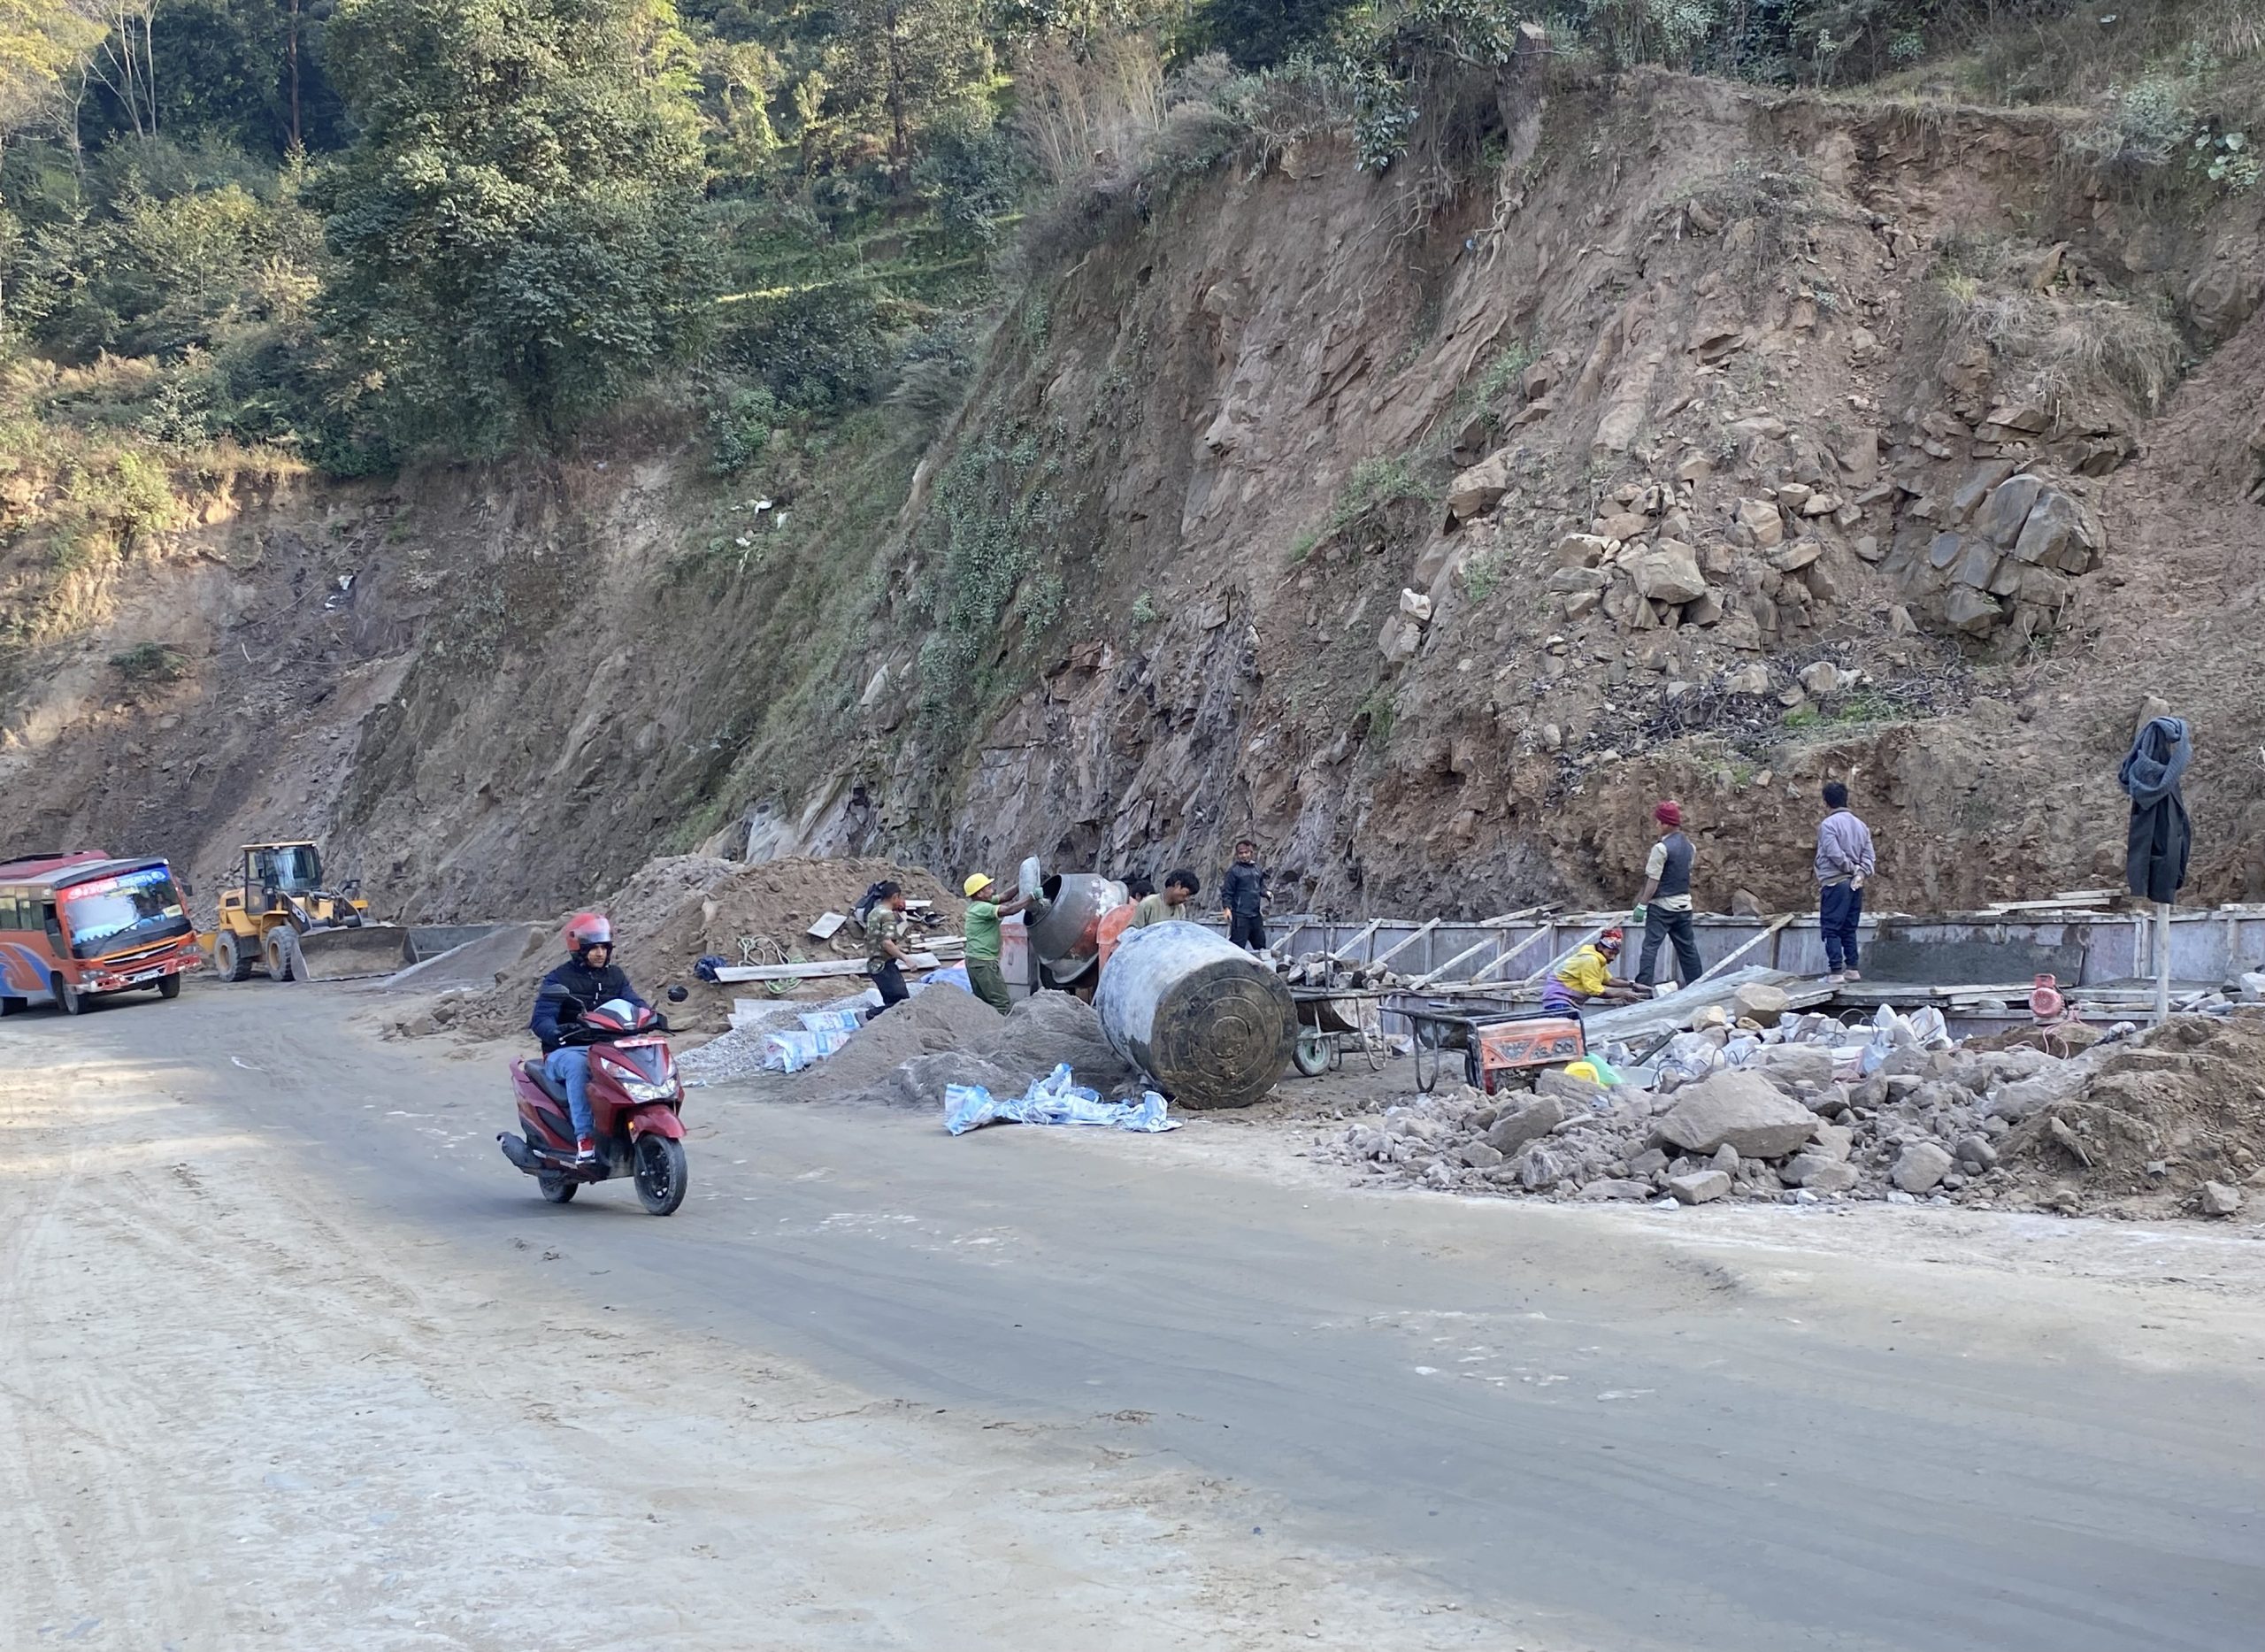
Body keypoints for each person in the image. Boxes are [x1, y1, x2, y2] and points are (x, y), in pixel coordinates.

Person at [531, 913, 649, 1164]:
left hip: (607, 1046)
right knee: (578, 1067)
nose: (599, 953)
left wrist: (649, 1014)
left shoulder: (615, 976)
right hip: (567, 1050)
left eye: (603, 947)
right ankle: (585, 1137)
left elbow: (633, 1001)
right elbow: (541, 1019)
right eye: (593, 948)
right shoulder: (558, 979)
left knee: (644, 1055)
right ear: (579, 949)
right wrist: (555, 1031)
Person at [1632, 800, 1704, 991]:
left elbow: (1653, 881)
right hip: (1683, 906)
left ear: (1665, 823)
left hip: (1662, 907)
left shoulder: (1661, 849)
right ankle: (1697, 986)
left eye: (1658, 822)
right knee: (1688, 949)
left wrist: (1642, 905)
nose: (1656, 826)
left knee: (1650, 947)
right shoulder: (1690, 847)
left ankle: (1642, 988)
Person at [1816, 780, 1877, 983]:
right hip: (1855, 884)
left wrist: (1851, 869)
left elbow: (1834, 853)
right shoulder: (1861, 826)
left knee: (1831, 927)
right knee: (1849, 927)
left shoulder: (1828, 825)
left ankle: (1835, 972)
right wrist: (1860, 873)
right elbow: (1869, 856)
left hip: (1835, 883)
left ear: (1826, 802)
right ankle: (1852, 968)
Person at [960, 873, 1030, 1014]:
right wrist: (1031, 897)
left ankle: (984, 1028)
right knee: (1001, 1001)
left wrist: (1022, 883)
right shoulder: (982, 908)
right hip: (984, 962)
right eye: (988, 887)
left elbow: (1005, 896)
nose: (992, 888)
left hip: (976, 961)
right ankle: (998, 1031)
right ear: (979, 893)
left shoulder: (980, 904)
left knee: (984, 1001)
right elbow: (1009, 910)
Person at [1542, 929, 1639, 1011]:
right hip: (1559, 999)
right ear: (1600, 947)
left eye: (1615, 955)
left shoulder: (1599, 959)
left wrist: (1633, 985)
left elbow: (1609, 980)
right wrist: (1623, 993)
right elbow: (1596, 991)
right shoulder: (1590, 960)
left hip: (1566, 1000)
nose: (1612, 958)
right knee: (1566, 1030)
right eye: (1610, 953)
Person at [864, 881, 913, 1018]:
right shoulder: (887, 915)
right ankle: (868, 1016)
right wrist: (906, 958)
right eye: (900, 898)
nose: (901, 901)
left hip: (874, 964)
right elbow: (887, 943)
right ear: (894, 897)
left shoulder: (874, 912)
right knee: (902, 1003)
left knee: (891, 1002)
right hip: (884, 965)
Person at [1220, 838, 1268, 952]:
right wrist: (1227, 908)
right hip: (1240, 916)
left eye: (1246, 852)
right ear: (1237, 855)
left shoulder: (1257, 869)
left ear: (1251, 853)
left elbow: (1260, 887)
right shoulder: (1233, 871)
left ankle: (1263, 968)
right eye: (1241, 853)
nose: (1244, 855)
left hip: (1255, 915)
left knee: (1261, 946)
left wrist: (1266, 893)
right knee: (1237, 947)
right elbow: (1227, 892)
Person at [1132, 869, 1199, 927]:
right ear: (1177, 885)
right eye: (1186, 894)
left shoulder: (1181, 909)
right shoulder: (1148, 904)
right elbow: (1132, 931)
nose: (1186, 899)